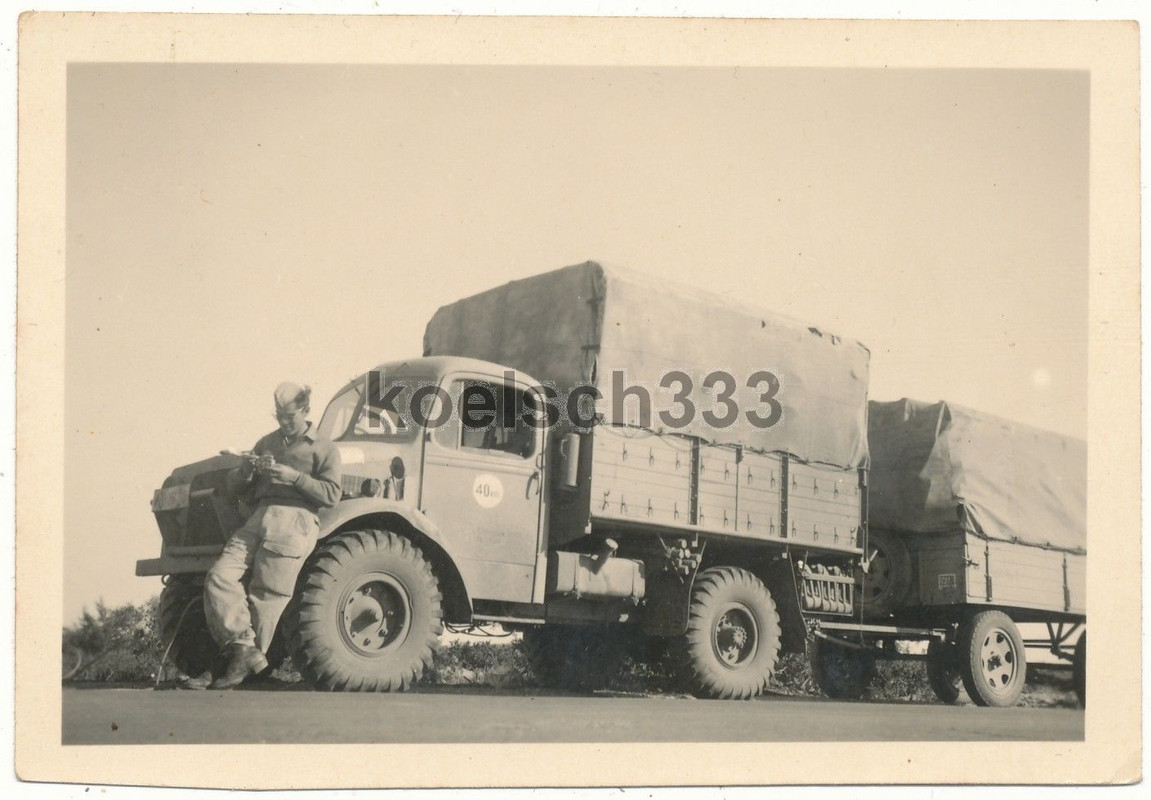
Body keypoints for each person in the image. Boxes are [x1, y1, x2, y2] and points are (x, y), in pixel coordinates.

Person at [183, 382, 342, 690]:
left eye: (290, 416)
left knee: (265, 596)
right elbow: (235, 487)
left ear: (306, 411)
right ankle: (242, 651)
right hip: (259, 516)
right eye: (279, 415)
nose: (283, 421)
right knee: (220, 576)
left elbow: (332, 494)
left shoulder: (324, 446)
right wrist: (245, 471)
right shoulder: (266, 442)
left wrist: (294, 478)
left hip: (294, 519)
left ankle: (232, 665)